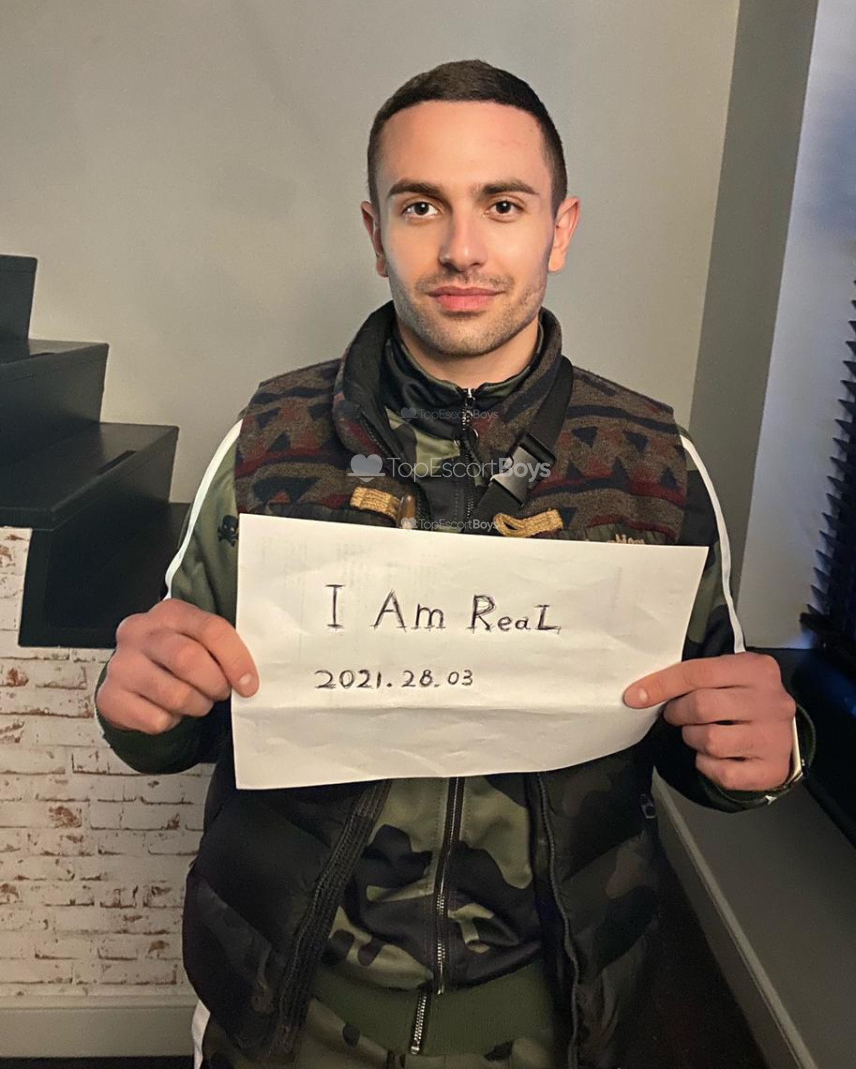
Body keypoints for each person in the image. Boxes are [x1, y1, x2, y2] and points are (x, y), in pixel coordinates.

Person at [94, 60, 812, 1069]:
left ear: (560, 228)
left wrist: (767, 755)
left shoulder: (654, 465)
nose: (462, 248)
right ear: (375, 231)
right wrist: (140, 708)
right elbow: (180, 717)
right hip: (283, 1014)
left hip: (560, 1026)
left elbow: (705, 735)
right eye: (421, 205)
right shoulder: (269, 441)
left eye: (503, 205)